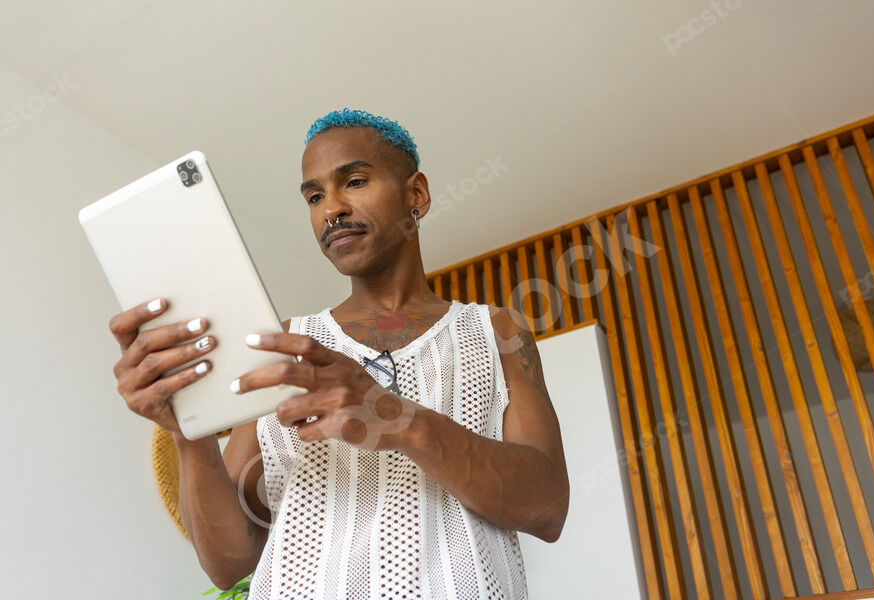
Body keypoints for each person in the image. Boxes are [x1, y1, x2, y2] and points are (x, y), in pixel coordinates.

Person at [108, 108, 569, 599]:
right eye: (314, 196)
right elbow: (229, 563)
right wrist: (188, 433)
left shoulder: (497, 331)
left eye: (354, 181)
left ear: (416, 194)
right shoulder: (282, 344)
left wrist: (398, 418)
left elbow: (547, 509)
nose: (331, 209)